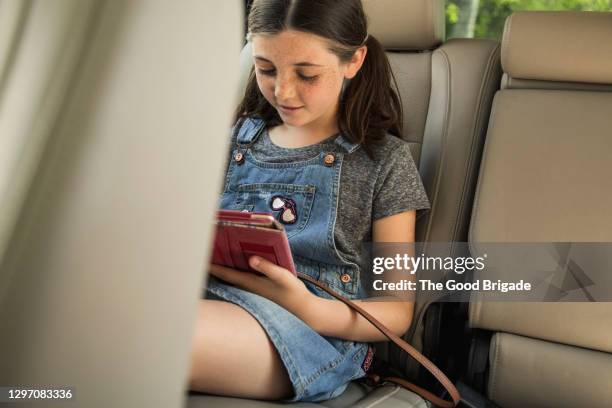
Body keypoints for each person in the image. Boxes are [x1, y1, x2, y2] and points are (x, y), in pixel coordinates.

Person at [188, 0, 430, 402]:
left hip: (309, 332)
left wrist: (307, 307)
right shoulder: (232, 139)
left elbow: (397, 310)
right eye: (266, 69)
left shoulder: (383, 162)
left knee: (163, 338)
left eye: (307, 74)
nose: (283, 91)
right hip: (208, 296)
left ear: (353, 61)